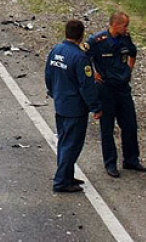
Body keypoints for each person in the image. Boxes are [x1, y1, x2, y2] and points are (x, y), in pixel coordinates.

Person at [88, 12, 146, 177]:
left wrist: (129, 69)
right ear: (115, 25)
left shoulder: (125, 38)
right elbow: (84, 57)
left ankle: (131, 159)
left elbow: (132, 53)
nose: (126, 28)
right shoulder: (97, 41)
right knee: (107, 128)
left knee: (130, 124)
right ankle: (110, 163)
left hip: (122, 87)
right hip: (106, 89)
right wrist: (93, 73)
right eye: (124, 25)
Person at [45, 19, 102, 193]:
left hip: (61, 103)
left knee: (64, 141)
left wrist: (52, 91)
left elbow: (48, 74)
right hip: (75, 108)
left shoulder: (56, 50)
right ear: (81, 35)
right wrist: (95, 107)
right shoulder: (80, 57)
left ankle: (67, 174)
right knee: (72, 145)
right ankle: (61, 181)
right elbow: (86, 85)